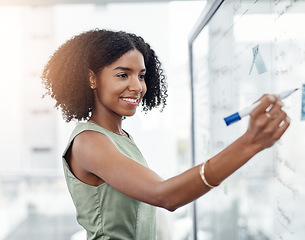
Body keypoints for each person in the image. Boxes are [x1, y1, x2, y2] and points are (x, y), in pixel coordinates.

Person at [41, 29, 290, 240]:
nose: (137, 87)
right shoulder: (89, 142)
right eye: (122, 75)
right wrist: (249, 144)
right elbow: (165, 195)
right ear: (92, 78)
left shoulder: (120, 136)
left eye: (141, 76)